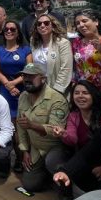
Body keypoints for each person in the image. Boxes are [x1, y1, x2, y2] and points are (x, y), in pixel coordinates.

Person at [49, 80, 101, 200]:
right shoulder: (74, 116)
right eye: (76, 93)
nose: (80, 96)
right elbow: (72, 140)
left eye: (85, 93)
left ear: (93, 95)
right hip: (83, 160)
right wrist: (63, 133)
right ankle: (66, 190)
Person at [15, 63, 68, 192]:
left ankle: (65, 188)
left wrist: (32, 125)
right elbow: (20, 126)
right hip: (35, 148)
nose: (27, 79)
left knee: (52, 162)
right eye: (24, 76)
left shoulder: (57, 99)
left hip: (54, 147)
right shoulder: (23, 96)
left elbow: (55, 130)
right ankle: (45, 174)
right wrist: (25, 150)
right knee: (30, 185)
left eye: (32, 76)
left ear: (43, 78)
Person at [0, 19, 32, 172]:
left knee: (22, 125)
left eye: (12, 29)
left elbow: (29, 69)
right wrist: (8, 86)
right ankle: (10, 156)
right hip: (5, 92)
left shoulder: (25, 50)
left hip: (23, 90)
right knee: (8, 125)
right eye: (6, 29)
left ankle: (22, 158)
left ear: (17, 33)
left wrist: (14, 83)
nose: (9, 31)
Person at [71, 9, 101, 92]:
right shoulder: (76, 42)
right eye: (77, 23)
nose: (81, 25)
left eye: (84, 21)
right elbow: (76, 68)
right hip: (86, 91)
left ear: (96, 22)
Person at [30, 14, 73, 95]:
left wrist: (57, 90)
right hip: (39, 89)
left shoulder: (63, 43)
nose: (42, 25)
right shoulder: (34, 43)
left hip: (57, 90)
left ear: (53, 26)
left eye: (46, 23)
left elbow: (66, 68)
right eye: (39, 24)